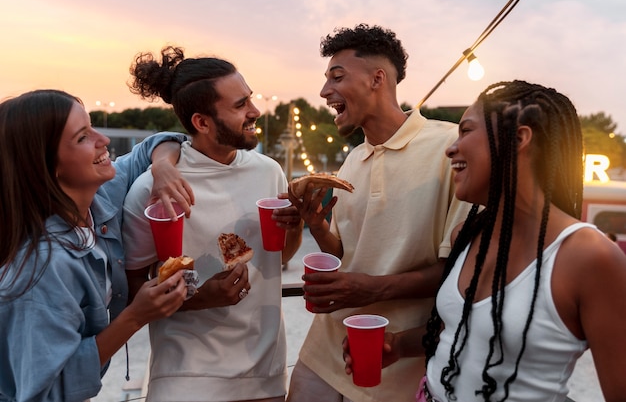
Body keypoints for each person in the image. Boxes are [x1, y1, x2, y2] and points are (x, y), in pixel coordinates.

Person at [343, 81, 626, 402]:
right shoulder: (465, 234)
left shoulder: (589, 257)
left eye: (466, 131)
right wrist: (397, 345)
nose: (451, 147)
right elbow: (463, 329)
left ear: (518, 139)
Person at [286, 24, 472, 402]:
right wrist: (317, 225)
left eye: (337, 77)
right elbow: (344, 254)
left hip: (397, 353)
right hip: (326, 344)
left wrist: (372, 288)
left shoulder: (450, 147)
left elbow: (461, 270)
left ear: (377, 78)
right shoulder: (353, 159)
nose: (324, 92)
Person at [122, 45, 304, 402]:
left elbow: (279, 257)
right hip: (185, 377)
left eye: (250, 99)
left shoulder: (270, 172)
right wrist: (198, 297)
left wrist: (296, 226)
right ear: (202, 123)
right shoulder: (151, 189)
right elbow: (133, 292)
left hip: (264, 372)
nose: (255, 112)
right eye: (240, 106)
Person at [0, 89, 195, 401]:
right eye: (82, 137)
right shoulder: (42, 269)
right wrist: (134, 316)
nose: (102, 139)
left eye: (91, 125)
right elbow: (44, 393)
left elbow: (159, 141)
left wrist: (161, 168)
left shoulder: (100, 199)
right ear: (49, 167)